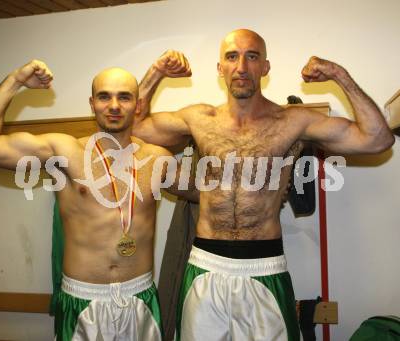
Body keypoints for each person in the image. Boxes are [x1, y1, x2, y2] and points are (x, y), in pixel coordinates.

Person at [133, 29, 395, 341]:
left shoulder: (294, 120)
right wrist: (156, 73)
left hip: (264, 267)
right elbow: (132, 128)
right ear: (220, 68)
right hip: (205, 265)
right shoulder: (199, 118)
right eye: (232, 57)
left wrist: (341, 76)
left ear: (265, 67)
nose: (241, 66)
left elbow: (378, 139)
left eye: (252, 56)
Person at [0, 58, 192, 340]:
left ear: (138, 105)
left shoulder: (158, 160)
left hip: (140, 297)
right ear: (92, 103)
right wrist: (15, 81)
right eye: (104, 96)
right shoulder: (65, 152)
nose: (114, 105)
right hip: (83, 301)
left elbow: (211, 192)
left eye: (124, 97)